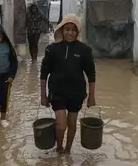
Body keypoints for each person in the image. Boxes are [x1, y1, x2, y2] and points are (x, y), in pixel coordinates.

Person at [40, 13, 96, 153]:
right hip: (57, 92)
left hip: (76, 93)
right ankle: (59, 147)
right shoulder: (52, 49)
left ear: (77, 32)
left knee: (72, 123)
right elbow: (43, 74)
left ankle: (68, 150)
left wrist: (91, 96)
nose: (70, 32)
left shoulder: (84, 50)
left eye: (73, 29)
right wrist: (43, 95)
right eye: (67, 29)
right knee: (61, 125)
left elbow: (91, 75)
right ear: (61, 30)